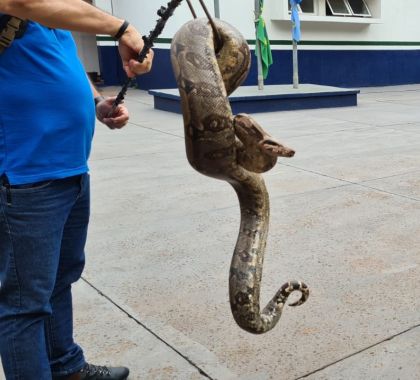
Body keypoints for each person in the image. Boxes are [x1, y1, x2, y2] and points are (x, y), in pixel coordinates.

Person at [0, 1, 154, 379]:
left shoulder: (53, 16)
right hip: (25, 174)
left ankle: (67, 368)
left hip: (68, 168)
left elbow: (62, 57)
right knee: (23, 305)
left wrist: (97, 102)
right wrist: (122, 29)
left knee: (59, 280)